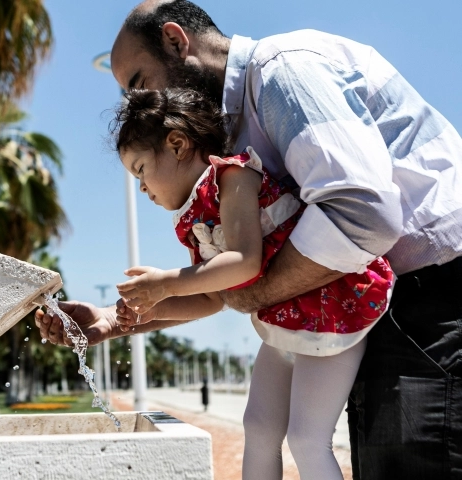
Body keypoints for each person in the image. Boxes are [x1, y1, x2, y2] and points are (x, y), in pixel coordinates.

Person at [35, 1, 462, 477]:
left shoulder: (284, 71)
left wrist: (250, 292)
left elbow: (363, 213)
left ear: (177, 42)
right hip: (375, 305)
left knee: (391, 457)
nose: (136, 103)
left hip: (438, 296)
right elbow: (219, 289)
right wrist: (112, 321)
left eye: (137, 82)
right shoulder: (228, 152)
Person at [111, 87, 393, 478]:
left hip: (330, 307)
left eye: (141, 169)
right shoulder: (194, 218)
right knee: (258, 428)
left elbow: (243, 262)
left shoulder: (234, 174)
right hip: (280, 321)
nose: (142, 187)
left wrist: (167, 284)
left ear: (177, 145)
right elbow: (212, 296)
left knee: (307, 438)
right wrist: (149, 305)